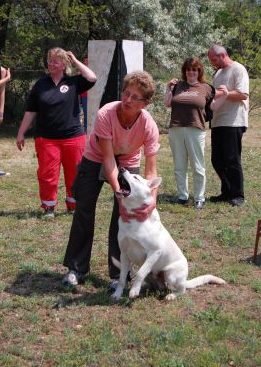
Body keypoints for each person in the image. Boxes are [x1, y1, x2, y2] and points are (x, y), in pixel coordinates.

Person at [62, 70, 160, 289]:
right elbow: (108, 159)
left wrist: (151, 200)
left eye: (135, 97)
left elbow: (151, 170)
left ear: (145, 103)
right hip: (95, 158)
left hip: (128, 161)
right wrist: (119, 191)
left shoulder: (148, 125)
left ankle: (119, 274)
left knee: (123, 217)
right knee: (84, 211)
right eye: (126, 93)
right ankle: (76, 269)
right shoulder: (106, 113)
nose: (127, 100)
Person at [16, 47, 97, 218]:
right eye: (49, 60)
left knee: (75, 172)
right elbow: (31, 111)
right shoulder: (40, 84)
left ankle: (73, 204)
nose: (51, 64)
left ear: (63, 64)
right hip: (46, 138)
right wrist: (21, 133)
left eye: (55, 61)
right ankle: (49, 207)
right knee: (47, 174)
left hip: (73, 137)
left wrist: (75, 60)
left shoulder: (74, 82)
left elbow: (92, 77)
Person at [164, 57, 228, 209]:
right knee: (179, 165)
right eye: (188, 69)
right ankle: (182, 196)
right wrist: (168, 88)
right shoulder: (177, 85)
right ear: (184, 71)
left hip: (196, 129)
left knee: (198, 166)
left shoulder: (206, 88)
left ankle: (199, 198)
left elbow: (212, 107)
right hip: (176, 128)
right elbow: (167, 103)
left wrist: (224, 96)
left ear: (199, 71)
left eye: (194, 69)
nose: (191, 72)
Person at [207, 45, 249, 207]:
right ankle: (226, 192)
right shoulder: (218, 73)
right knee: (217, 160)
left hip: (233, 121)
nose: (212, 63)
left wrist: (224, 94)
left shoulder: (238, 69)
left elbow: (242, 94)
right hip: (218, 121)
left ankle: (238, 195)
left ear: (223, 55)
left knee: (232, 159)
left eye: (214, 59)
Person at [0, 48, 11, 176]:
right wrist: (7, 79)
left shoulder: (1, 71)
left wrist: (1, 111)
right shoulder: (5, 75)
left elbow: (2, 92)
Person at [79, 56, 88, 133]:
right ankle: (85, 129)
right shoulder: (81, 70)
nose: (86, 63)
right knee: (85, 113)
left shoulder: (91, 71)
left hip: (90, 96)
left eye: (87, 61)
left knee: (87, 113)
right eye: (84, 61)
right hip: (83, 95)